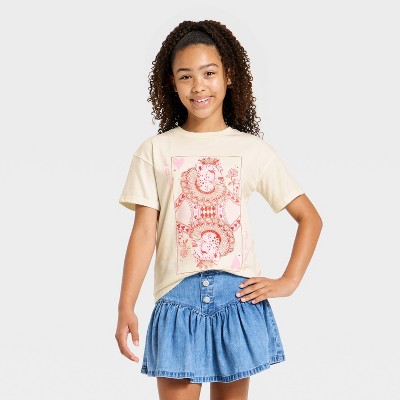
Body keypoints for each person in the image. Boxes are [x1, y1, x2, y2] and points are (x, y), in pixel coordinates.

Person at [115, 19, 323, 400]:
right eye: (186, 76)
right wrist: (125, 305)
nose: (198, 86)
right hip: (177, 302)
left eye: (208, 73)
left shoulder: (253, 151)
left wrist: (289, 280)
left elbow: (309, 217)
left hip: (237, 301)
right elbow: (144, 233)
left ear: (228, 76)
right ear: (172, 84)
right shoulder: (154, 151)